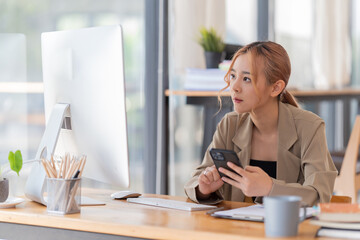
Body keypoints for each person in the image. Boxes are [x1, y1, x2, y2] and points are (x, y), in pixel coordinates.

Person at [184, 41, 338, 206]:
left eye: (246, 79)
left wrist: (270, 188)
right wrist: (204, 188)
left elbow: (319, 195)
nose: (234, 87)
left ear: (276, 88)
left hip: (289, 229)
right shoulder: (229, 125)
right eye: (233, 76)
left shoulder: (309, 127)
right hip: (236, 229)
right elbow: (196, 180)